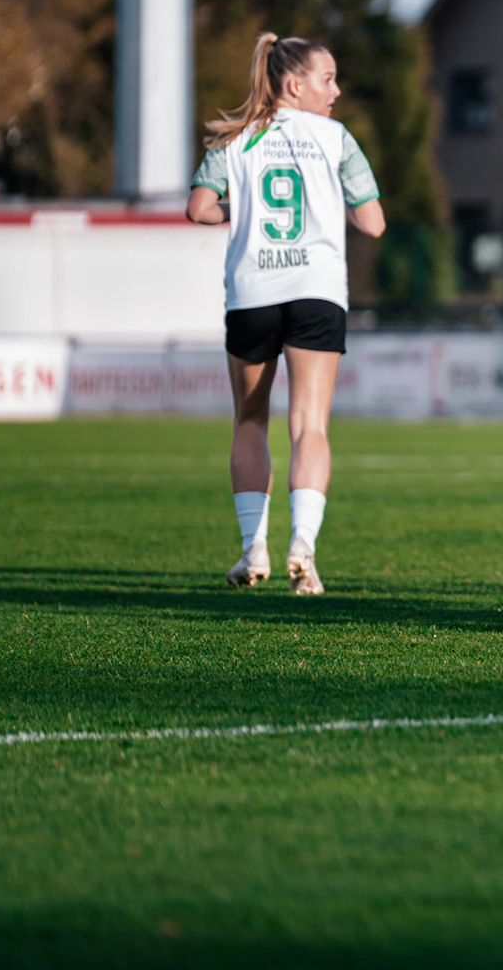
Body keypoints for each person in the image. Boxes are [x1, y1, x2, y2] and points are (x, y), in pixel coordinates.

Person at [186, 33, 384, 595]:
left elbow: (199, 208)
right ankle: (304, 547)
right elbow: (372, 222)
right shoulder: (335, 138)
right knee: (310, 425)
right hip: (316, 290)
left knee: (250, 421)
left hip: (252, 291)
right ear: (295, 84)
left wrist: (238, 208)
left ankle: (253, 551)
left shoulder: (237, 137)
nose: (337, 90)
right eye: (328, 79)